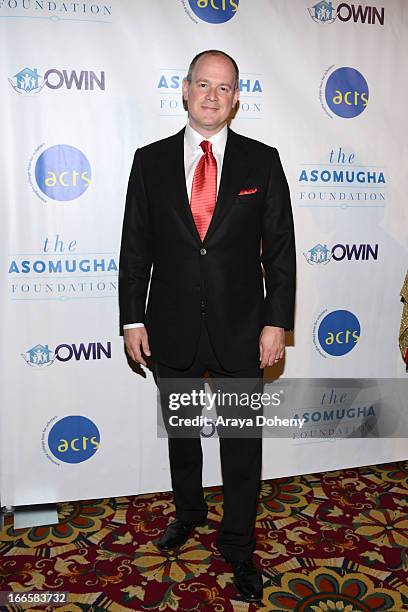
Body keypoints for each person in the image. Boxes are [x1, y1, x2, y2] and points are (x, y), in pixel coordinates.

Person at [119, 49, 296, 602]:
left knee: (242, 442)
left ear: (237, 97)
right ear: (185, 90)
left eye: (224, 87)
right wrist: (131, 318)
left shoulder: (262, 161)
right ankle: (189, 512)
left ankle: (239, 544)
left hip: (242, 329)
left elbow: (283, 252)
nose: (212, 95)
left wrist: (276, 324)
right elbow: (135, 249)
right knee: (183, 433)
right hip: (170, 328)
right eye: (203, 84)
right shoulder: (148, 162)